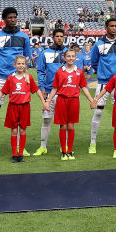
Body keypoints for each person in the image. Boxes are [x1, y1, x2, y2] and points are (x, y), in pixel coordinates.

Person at [0, 7, 31, 158]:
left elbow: (27, 57)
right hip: (1, 78)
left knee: (20, 115)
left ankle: (20, 147)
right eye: (9, 17)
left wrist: (22, 75)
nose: (12, 20)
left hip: (20, 79)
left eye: (14, 17)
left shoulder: (24, 37)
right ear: (4, 19)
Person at [87, 17, 116, 154]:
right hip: (103, 82)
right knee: (98, 111)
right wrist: (102, 72)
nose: (114, 28)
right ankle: (93, 142)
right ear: (106, 28)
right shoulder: (99, 44)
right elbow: (94, 62)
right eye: (111, 26)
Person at [0, 55, 44, 162]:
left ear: (26, 65)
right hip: (13, 107)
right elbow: (3, 91)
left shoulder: (28, 77)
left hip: (25, 107)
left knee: (23, 130)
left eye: (23, 64)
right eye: (18, 64)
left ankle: (21, 154)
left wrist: (44, 102)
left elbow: (36, 90)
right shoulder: (11, 77)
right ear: (14, 65)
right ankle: (14, 154)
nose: (20, 65)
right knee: (14, 130)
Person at [45, 49, 95, 160]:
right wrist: (48, 101)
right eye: (68, 56)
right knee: (63, 125)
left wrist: (92, 100)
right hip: (62, 100)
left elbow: (83, 87)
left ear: (76, 58)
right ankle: (63, 151)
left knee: (71, 125)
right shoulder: (60, 71)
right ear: (64, 58)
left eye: (73, 56)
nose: (71, 58)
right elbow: (55, 88)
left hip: (74, 101)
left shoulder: (79, 71)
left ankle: (70, 150)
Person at [34, 27, 69, 156]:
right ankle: (43, 146)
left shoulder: (68, 53)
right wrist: (42, 88)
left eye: (61, 36)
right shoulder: (45, 53)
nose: (59, 38)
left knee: (63, 122)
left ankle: (64, 146)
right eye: (57, 36)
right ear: (53, 37)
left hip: (65, 93)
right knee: (46, 120)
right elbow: (40, 71)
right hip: (49, 91)